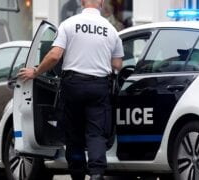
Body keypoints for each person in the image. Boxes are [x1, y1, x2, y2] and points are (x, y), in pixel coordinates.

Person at [17, 0, 124, 180]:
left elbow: (54, 55)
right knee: (96, 133)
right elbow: (117, 64)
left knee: (73, 133)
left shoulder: (69, 24)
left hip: (73, 85)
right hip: (99, 86)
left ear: (82, 2)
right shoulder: (111, 30)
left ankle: (77, 173)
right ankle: (96, 174)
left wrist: (36, 72)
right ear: (102, 3)